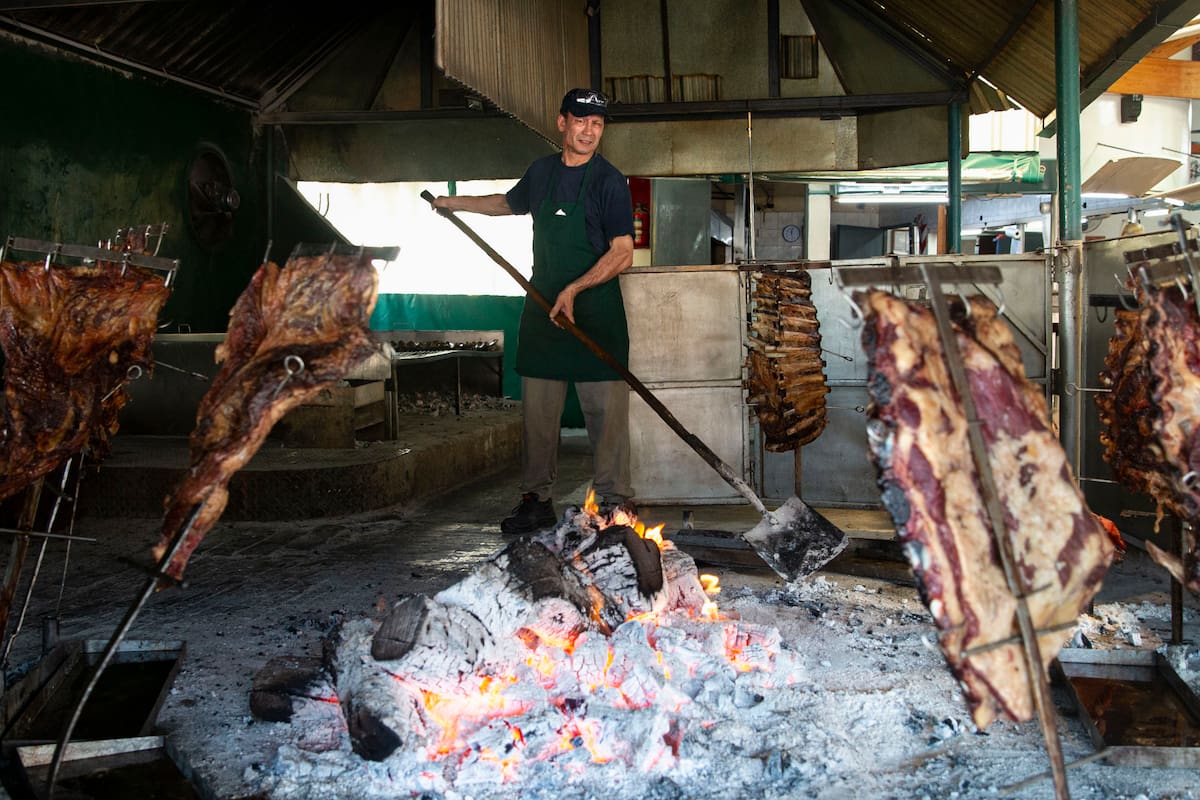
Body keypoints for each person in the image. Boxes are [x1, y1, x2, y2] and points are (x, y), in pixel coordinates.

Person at [432, 88, 636, 534]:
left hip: (595, 316)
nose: (589, 130)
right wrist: (454, 205)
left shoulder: (609, 181)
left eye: (597, 124)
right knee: (539, 416)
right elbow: (508, 203)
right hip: (545, 312)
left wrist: (576, 289)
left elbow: (624, 252)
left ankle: (613, 507)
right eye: (581, 120)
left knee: (606, 419)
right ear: (562, 122)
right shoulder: (541, 173)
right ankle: (536, 501)